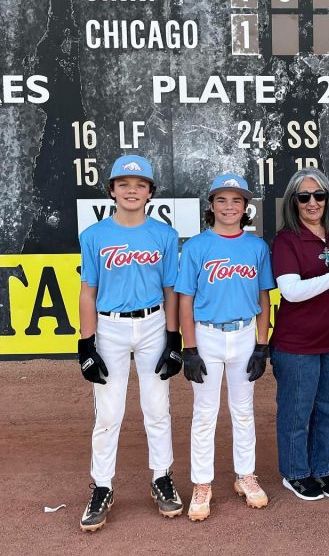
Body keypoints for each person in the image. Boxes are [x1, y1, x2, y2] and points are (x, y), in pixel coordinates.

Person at [77, 154, 183, 532]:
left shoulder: (165, 236)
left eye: (139, 185)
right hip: (110, 328)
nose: (132, 190)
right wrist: (86, 343)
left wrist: (174, 336)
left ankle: (162, 477)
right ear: (111, 190)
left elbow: (171, 289)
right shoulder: (93, 236)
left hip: (154, 322)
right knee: (108, 413)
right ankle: (102, 486)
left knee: (157, 407)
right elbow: (88, 291)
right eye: (124, 184)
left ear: (151, 191)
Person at [176, 174, 275, 521]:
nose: (229, 207)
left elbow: (263, 297)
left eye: (237, 201)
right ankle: (202, 483)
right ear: (211, 206)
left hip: (245, 333)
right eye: (222, 200)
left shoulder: (257, 247)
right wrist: (189, 347)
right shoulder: (197, 246)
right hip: (207, 335)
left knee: (243, 409)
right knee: (205, 413)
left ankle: (245, 475)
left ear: (245, 208)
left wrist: (262, 345)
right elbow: (184, 299)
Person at [270, 168, 329, 501]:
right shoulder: (286, 239)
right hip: (297, 344)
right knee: (296, 411)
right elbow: (290, 292)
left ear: (328, 199)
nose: (312, 203)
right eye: (304, 196)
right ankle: (295, 473)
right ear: (293, 201)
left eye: (319, 195)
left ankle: (321, 469)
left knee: (328, 408)